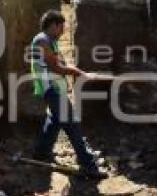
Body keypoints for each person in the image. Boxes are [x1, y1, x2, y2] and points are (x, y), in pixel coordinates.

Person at [29, 10, 102, 175]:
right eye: (61, 27)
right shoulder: (42, 40)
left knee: (54, 121)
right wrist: (81, 74)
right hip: (51, 90)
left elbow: (61, 63)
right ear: (53, 25)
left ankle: (40, 153)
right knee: (72, 125)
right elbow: (57, 67)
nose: (63, 31)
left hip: (56, 90)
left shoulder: (51, 42)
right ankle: (88, 164)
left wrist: (79, 72)